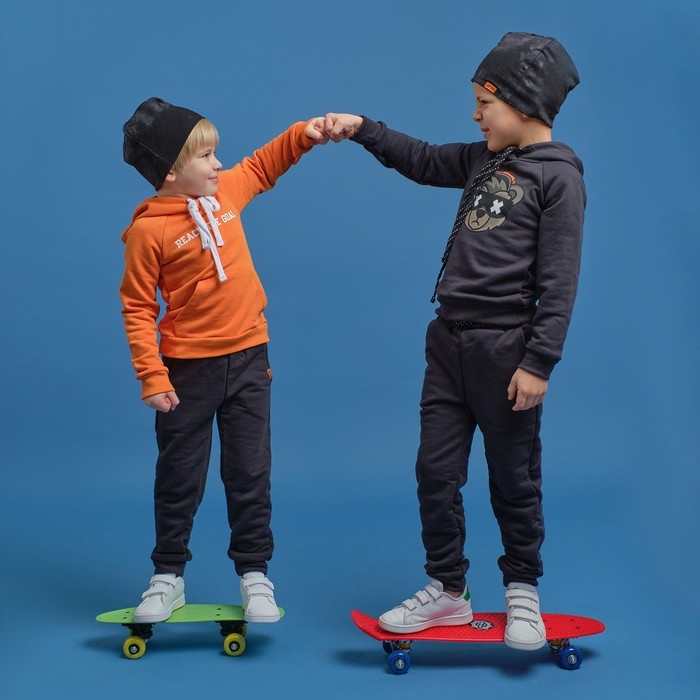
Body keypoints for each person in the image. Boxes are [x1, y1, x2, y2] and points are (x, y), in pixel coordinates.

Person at [324, 32, 584, 650]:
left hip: (506, 352)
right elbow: (419, 158)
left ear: (522, 103)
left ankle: (522, 591)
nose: (475, 115)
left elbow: (560, 280)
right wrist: (363, 128)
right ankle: (448, 589)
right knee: (434, 472)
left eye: (483, 103)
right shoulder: (481, 160)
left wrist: (539, 362)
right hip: (447, 345)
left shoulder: (559, 178)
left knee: (513, 479)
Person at [120, 97, 328, 624]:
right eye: (206, 156)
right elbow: (138, 307)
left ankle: (255, 574)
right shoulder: (148, 232)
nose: (219, 164)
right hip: (187, 372)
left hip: (250, 361)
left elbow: (262, 164)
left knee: (250, 473)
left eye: (216, 154)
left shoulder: (225, 193)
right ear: (171, 171)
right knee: (179, 477)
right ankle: (168, 577)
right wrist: (152, 376)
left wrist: (303, 133)